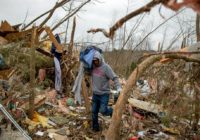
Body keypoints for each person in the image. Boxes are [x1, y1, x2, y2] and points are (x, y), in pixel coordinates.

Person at [90, 50, 122, 132]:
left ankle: (112, 111)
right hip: (95, 94)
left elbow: (115, 77)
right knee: (94, 111)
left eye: (96, 60)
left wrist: (119, 87)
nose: (95, 62)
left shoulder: (106, 67)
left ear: (99, 59)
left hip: (104, 94)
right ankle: (95, 128)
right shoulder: (92, 66)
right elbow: (85, 68)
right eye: (94, 61)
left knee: (103, 111)